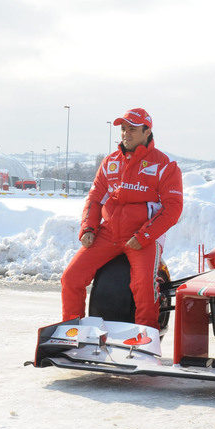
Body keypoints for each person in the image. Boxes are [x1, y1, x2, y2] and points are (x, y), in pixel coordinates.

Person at [60, 108, 183, 329]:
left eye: (132, 129)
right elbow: (95, 199)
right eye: (123, 129)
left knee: (144, 286)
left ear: (147, 132)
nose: (125, 133)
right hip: (108, 233)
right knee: (71, 277)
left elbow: (172, 209)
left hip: (142, 236)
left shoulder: (165, 165)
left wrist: (144, 236)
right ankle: (72, 332)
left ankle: (147, 340)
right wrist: (88, 228)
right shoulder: (110, 162)